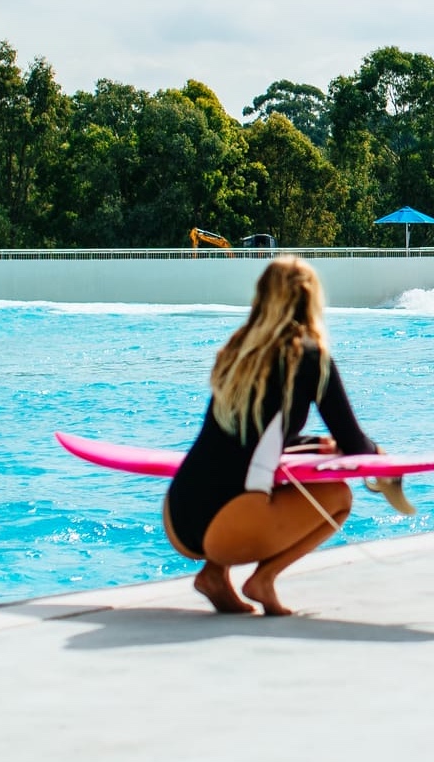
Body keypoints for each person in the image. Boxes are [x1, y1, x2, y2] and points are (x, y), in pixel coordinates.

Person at [162, 255, 378, 616]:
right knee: (339, 497)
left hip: (178, 511)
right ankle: (263, 579)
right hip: (226, 521)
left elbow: (242, 433)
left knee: (247, 477)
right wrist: (379, 454)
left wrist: (308, 444)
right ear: (309, 298)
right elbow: (356, 444)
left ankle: (214, 576)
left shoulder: (238, 351)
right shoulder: (308, 355)